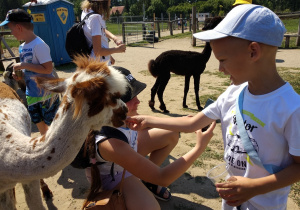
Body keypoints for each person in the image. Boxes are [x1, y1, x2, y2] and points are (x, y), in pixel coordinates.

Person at [126, 4, 300, 210]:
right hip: (231, 201)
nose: (220, 69)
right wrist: (148, 120)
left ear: (253, 51)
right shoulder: (232, 94)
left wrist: (255, 187)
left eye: (223, 60)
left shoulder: (291, 108)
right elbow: (193, 122)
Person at [83, 67, 216, 209]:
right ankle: (146, 178)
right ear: (108, 107)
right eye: (129, 99)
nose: (138, 101)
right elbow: (163, 177)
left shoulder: (120, 117)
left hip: (127, 154)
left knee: (170, 133)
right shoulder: (110, 143)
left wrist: (183, 121)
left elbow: (149, 123)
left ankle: (148, 180)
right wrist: (199, 148)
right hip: (115, 175)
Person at [0, 9, 60, 135]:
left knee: (55, 128)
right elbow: (29, 69)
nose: (11, 32)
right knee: (40, 125)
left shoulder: (39, 45)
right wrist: (20, 75)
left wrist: (23, 65)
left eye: (11, 28)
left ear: (19, 27)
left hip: (46, 95)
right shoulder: (22, 47)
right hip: (31, 94)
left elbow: (48, 69)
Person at [81, 0, 126, 65]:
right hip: (100, 65)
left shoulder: (86, 12)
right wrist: (117, 49)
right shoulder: (95, 18)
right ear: (103, 2)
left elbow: (99, 32)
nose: (109, 4)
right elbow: (97, 51)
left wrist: (114, 38)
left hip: (92, 60)